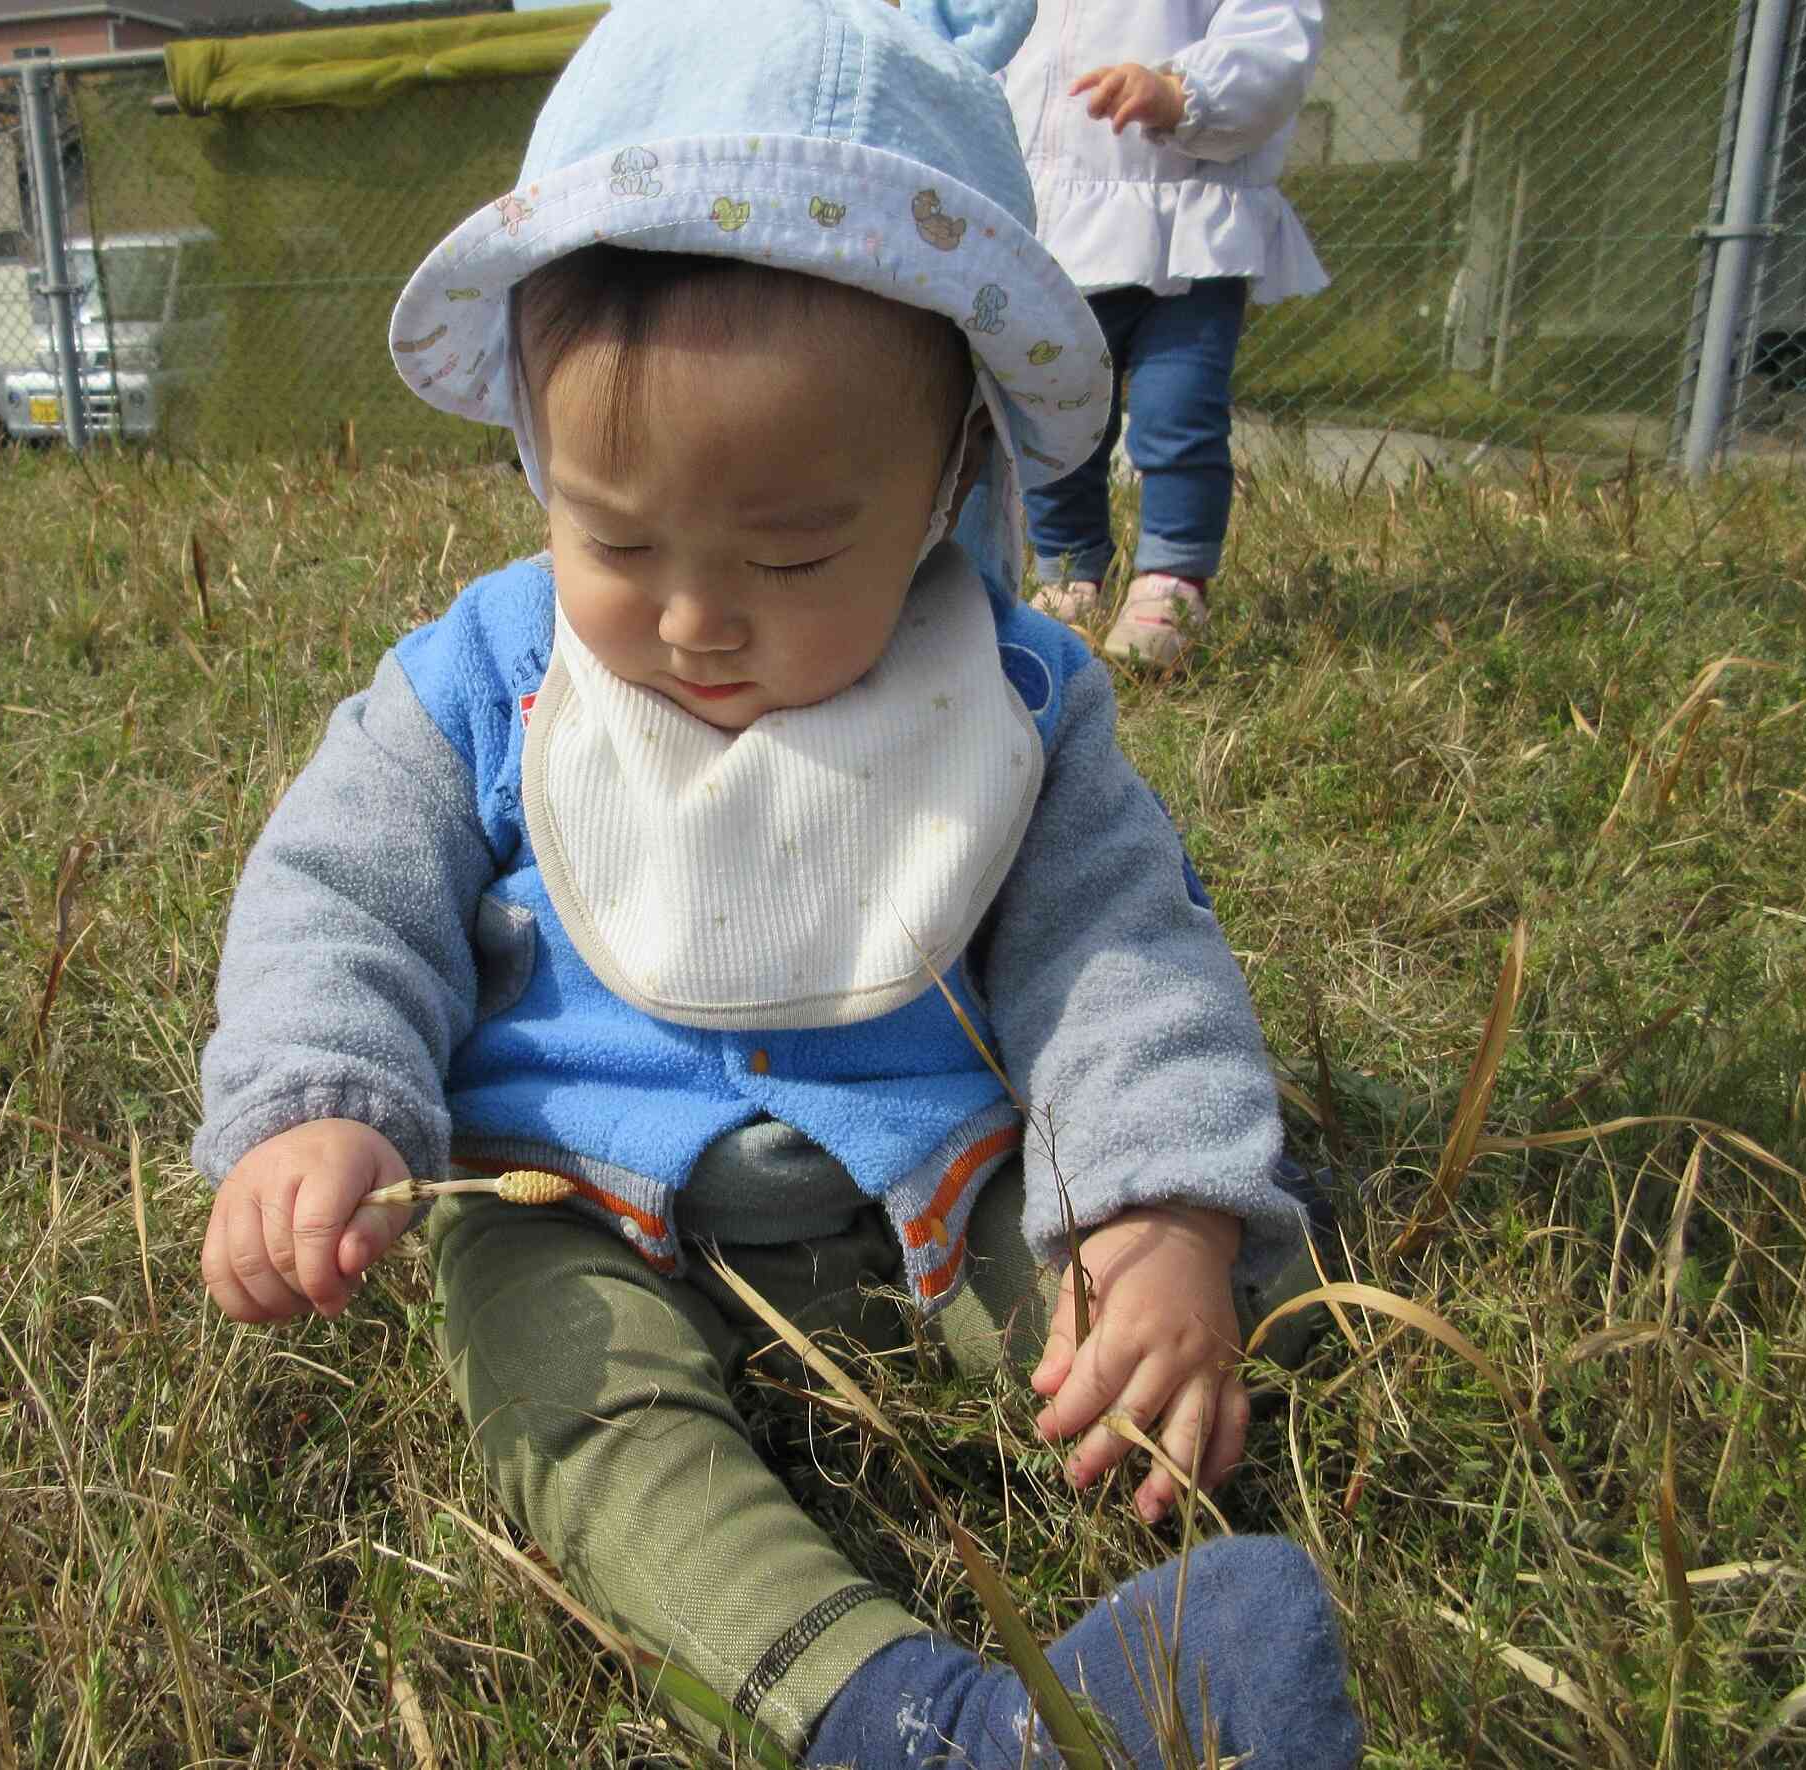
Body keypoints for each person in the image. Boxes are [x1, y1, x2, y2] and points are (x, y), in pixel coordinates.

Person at [194, 3, 1361, 1765]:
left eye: (794, 551)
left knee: (1153, 1320)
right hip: (567, 1198)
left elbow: (1117, 957)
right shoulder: (479, 686)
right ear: (533, 461)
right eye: (615, 537)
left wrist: (1156, 1208)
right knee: (567, 1409)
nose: (690, 617)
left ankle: (1187, 1634)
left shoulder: (1010, 704)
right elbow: (338, 898)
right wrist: (317, 1105)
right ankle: (892, 1716)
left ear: (947, 477)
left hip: (947, 1170)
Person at [1004, 1, 1330, 669]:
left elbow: (1272, 36)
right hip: (1050, 223)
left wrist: (1184, 93)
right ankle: (1066, 569)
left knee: (1177, 408)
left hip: (1189, 222)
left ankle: (1171, 580)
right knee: (1056, 412)